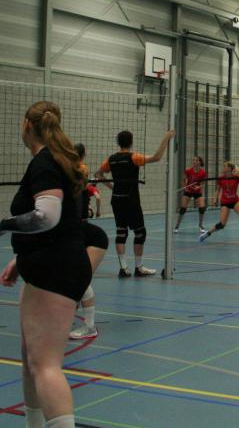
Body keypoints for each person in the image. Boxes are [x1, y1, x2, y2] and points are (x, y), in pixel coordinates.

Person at [1, 101, 91, 428]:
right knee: (31, 359)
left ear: (27, 125)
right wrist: (21, 258)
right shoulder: (55, 160)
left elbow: (47, 217)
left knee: (46, 366)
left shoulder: (45, 163)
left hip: (56, 269)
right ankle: (34, 427)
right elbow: (64, 221)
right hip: (47, 264)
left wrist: (3, 225)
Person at [96, 128, 175, 277]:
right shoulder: (134, 157)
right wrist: (166, 139)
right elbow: (156, 157)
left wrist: (112, 187)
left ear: (118, 142)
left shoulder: (111, 159)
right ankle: (139, 267)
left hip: (117, 199)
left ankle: (124, 268)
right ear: (131, 142)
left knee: (121, 232)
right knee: (140, 232)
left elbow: (98, 174)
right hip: (131, 200)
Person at [70, 143, 109, 340]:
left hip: (94, 238)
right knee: (70, 278)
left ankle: (89, 326)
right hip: (78, 232)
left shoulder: (80, 174)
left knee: (81, 277)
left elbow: (94, 193)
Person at [200, 161, 239, 244]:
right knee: (222, 225)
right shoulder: (221, 178)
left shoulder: (236, 177)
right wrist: (215, 199)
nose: (223, 167)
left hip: (235, 201)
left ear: (230, 168)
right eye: (223, 166)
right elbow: (217, 190)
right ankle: (207, 234)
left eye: (225, 166)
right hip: (225, 202)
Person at [174, 156, 207, 234]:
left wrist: (199, 187)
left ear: (200, 162)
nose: (194, 162)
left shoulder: (203, 172)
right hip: (189, 190)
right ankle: (177, 226)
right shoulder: (188, 171)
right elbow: (183, 180)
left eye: (197, 160)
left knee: (202, 208)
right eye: (194, 160)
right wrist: (185, 187)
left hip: (197, 191)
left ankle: (200, 225)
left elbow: (203, 183)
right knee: (183, 209)